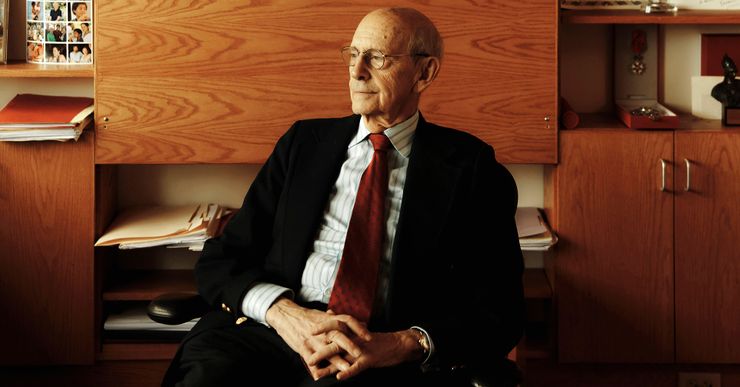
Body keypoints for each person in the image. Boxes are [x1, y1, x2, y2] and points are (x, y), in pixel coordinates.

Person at [163, 7, 523, 387]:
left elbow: (499, 310)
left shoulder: (470, 168)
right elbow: (224, 258)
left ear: (425, 72)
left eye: (377, 58)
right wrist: (282, 313)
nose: (356, 71)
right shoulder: (303, 145)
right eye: (352, 55)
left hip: (377, 347)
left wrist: (401, 344)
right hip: (272, 330)